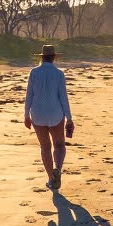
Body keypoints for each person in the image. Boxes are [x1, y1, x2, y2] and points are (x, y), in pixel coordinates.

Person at [24, 44, 75, 189]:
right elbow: (63, 97)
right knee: (59, 145)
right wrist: (69, 117)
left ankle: (51, 179)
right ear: (53, 58)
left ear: (42, 57)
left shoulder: (34, 72)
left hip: (38, 114)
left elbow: (29, 95)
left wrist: (26, 115)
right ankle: (57, 169)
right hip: (56, 113)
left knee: (45, 147)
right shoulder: (59, 74)